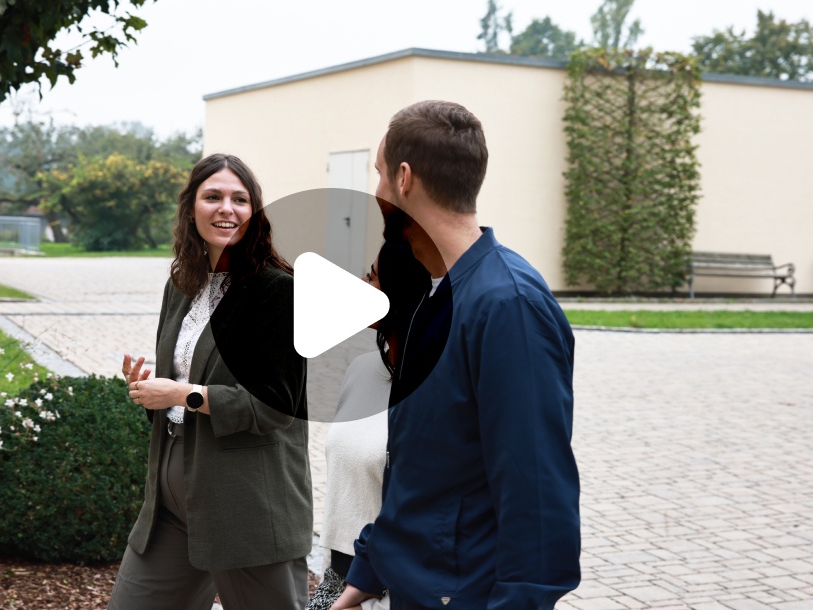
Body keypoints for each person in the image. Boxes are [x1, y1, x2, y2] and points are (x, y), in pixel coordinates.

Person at [332, 101, 581, 610]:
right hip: (410, 589)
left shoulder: (508, 305)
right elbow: (422, 468)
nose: (374, 192)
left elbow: (535, 493)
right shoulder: (435, 298)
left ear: (405, 179)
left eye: (378, 176)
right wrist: (360, 578)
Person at [108, 153, 312, 610]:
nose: (227, 208)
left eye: (240, 199)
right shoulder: (181, 286)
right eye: (213, 196)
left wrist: (181, 393)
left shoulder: (279, 291)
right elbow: (182, 382)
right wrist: (149, 390)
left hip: (246, 500)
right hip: (169, 496)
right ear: (190, 209)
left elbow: (277, 407)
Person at [307, 239, 431, 610]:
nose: (361, 284)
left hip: (391, 585)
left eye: (373, 277)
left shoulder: (433, 387)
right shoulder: (361, 369)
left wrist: (363, 591)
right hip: (338, 576)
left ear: (403, 292)